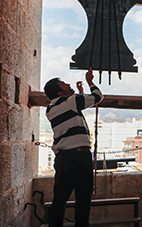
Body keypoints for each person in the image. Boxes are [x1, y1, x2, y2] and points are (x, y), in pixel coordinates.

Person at [44, 68, 103, 227]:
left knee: (59, 201)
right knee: (83, 202)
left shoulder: (51, 109)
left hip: (64, 159)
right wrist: (90, 82)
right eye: (63, 84)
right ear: (59, 92)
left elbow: (75, 108)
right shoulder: (70, 103)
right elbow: (97, 97)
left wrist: (79, 94)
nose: (68, 84)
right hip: (81, 158)